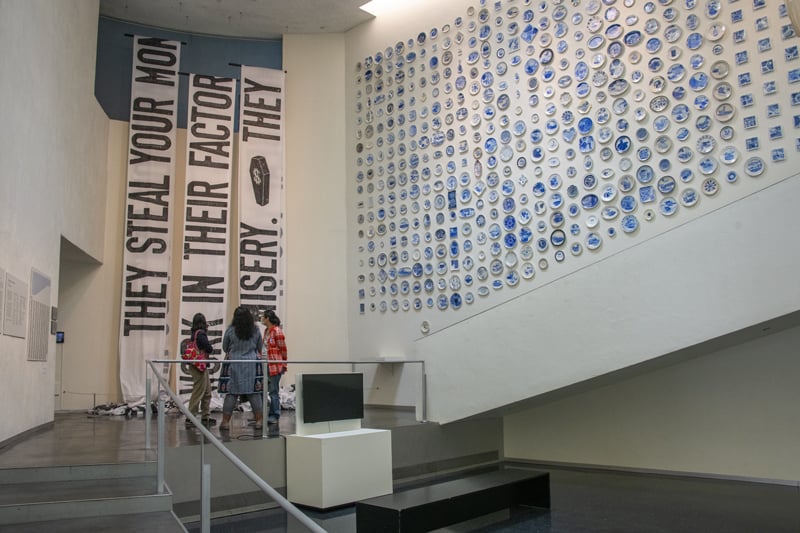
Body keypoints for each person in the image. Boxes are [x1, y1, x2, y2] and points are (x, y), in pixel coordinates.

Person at [219, 306, 265, 431]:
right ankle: (259, 421)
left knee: (232, 393)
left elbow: (225, 347)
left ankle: (225, 422)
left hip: (234, 364)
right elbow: (260, 347)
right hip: (252, 365)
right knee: (254, 393)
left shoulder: (230, 330)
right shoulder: (255, 330)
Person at [185, 313, 216, 427]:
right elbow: (209, 348)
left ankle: (205, 416)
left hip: (196, 365)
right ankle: (191, 416)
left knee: (207, 390)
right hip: (199, 366)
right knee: (199, 391)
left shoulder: (194, 334)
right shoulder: (201, 334)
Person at [261, 310, 288, 425]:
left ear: (268, 318)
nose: (262, 319)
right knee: (265, 390)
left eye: (263, 317)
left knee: (273, 391)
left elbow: (283, 349)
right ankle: (266, 414)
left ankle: (275, 414)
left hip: (275, 365)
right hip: (266, 364)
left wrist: (284, 364)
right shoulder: (266, 331)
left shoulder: (277, 331)